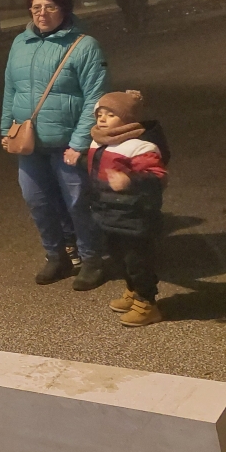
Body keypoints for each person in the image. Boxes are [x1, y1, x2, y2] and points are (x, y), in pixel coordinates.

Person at [1, 0, 109, 289]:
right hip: (30, 144)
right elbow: (11, 89)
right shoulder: (20, 43)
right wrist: (6, 129)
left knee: (78, 204)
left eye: (50, 7)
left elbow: (95, 97)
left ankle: (91, 260)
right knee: (37, 201)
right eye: (36, 7)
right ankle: (56, 255)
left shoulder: (84, 45)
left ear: (64, 9)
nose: (42, 13)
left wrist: (79, 143)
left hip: (67, 144)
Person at [86, 90, 169, 327]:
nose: (102, 119)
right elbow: (98, 169)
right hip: (109, 212)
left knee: (138, 261)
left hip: (135, 215)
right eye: (100, 114)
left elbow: (157, 177)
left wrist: (130, 179)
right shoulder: (100, 141)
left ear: (127, 118)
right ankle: (133, 291)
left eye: (110, 114)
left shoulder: (139, 147)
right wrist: (79, 158)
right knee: (119, 257)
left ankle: (147, 304)